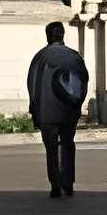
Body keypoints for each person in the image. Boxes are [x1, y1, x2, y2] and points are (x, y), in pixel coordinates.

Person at [27, 22, 89, 200]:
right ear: (62, 35)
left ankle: (55, 185)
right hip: (69, 110)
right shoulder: (74, 57)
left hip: (47, 111)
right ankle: (68, 183)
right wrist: (77, 104)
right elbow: (83, 82)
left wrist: (35, 108)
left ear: (48, 35)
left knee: (51, 149)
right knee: (68, 144)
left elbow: (32, 84)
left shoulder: (41, 57)